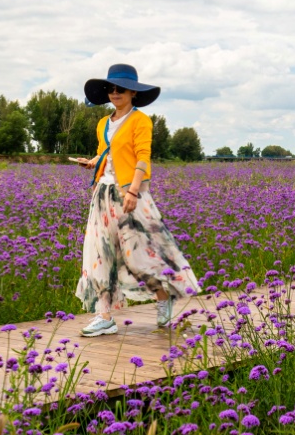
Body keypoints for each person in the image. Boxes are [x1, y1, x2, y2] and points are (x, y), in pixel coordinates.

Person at [72, 64, 200, 336]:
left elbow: (143, 156)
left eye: (120, 89)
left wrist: (133, 192)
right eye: (111, 88)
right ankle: (104, 316)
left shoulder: (140, 120)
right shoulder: (103, 123)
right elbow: (105, 153)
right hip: (103, 195)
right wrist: (92, 162)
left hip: (131, 194)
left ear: (133, 92)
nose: (115, 93)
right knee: (99, 255)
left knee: (139, 255)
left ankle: (164, 297)